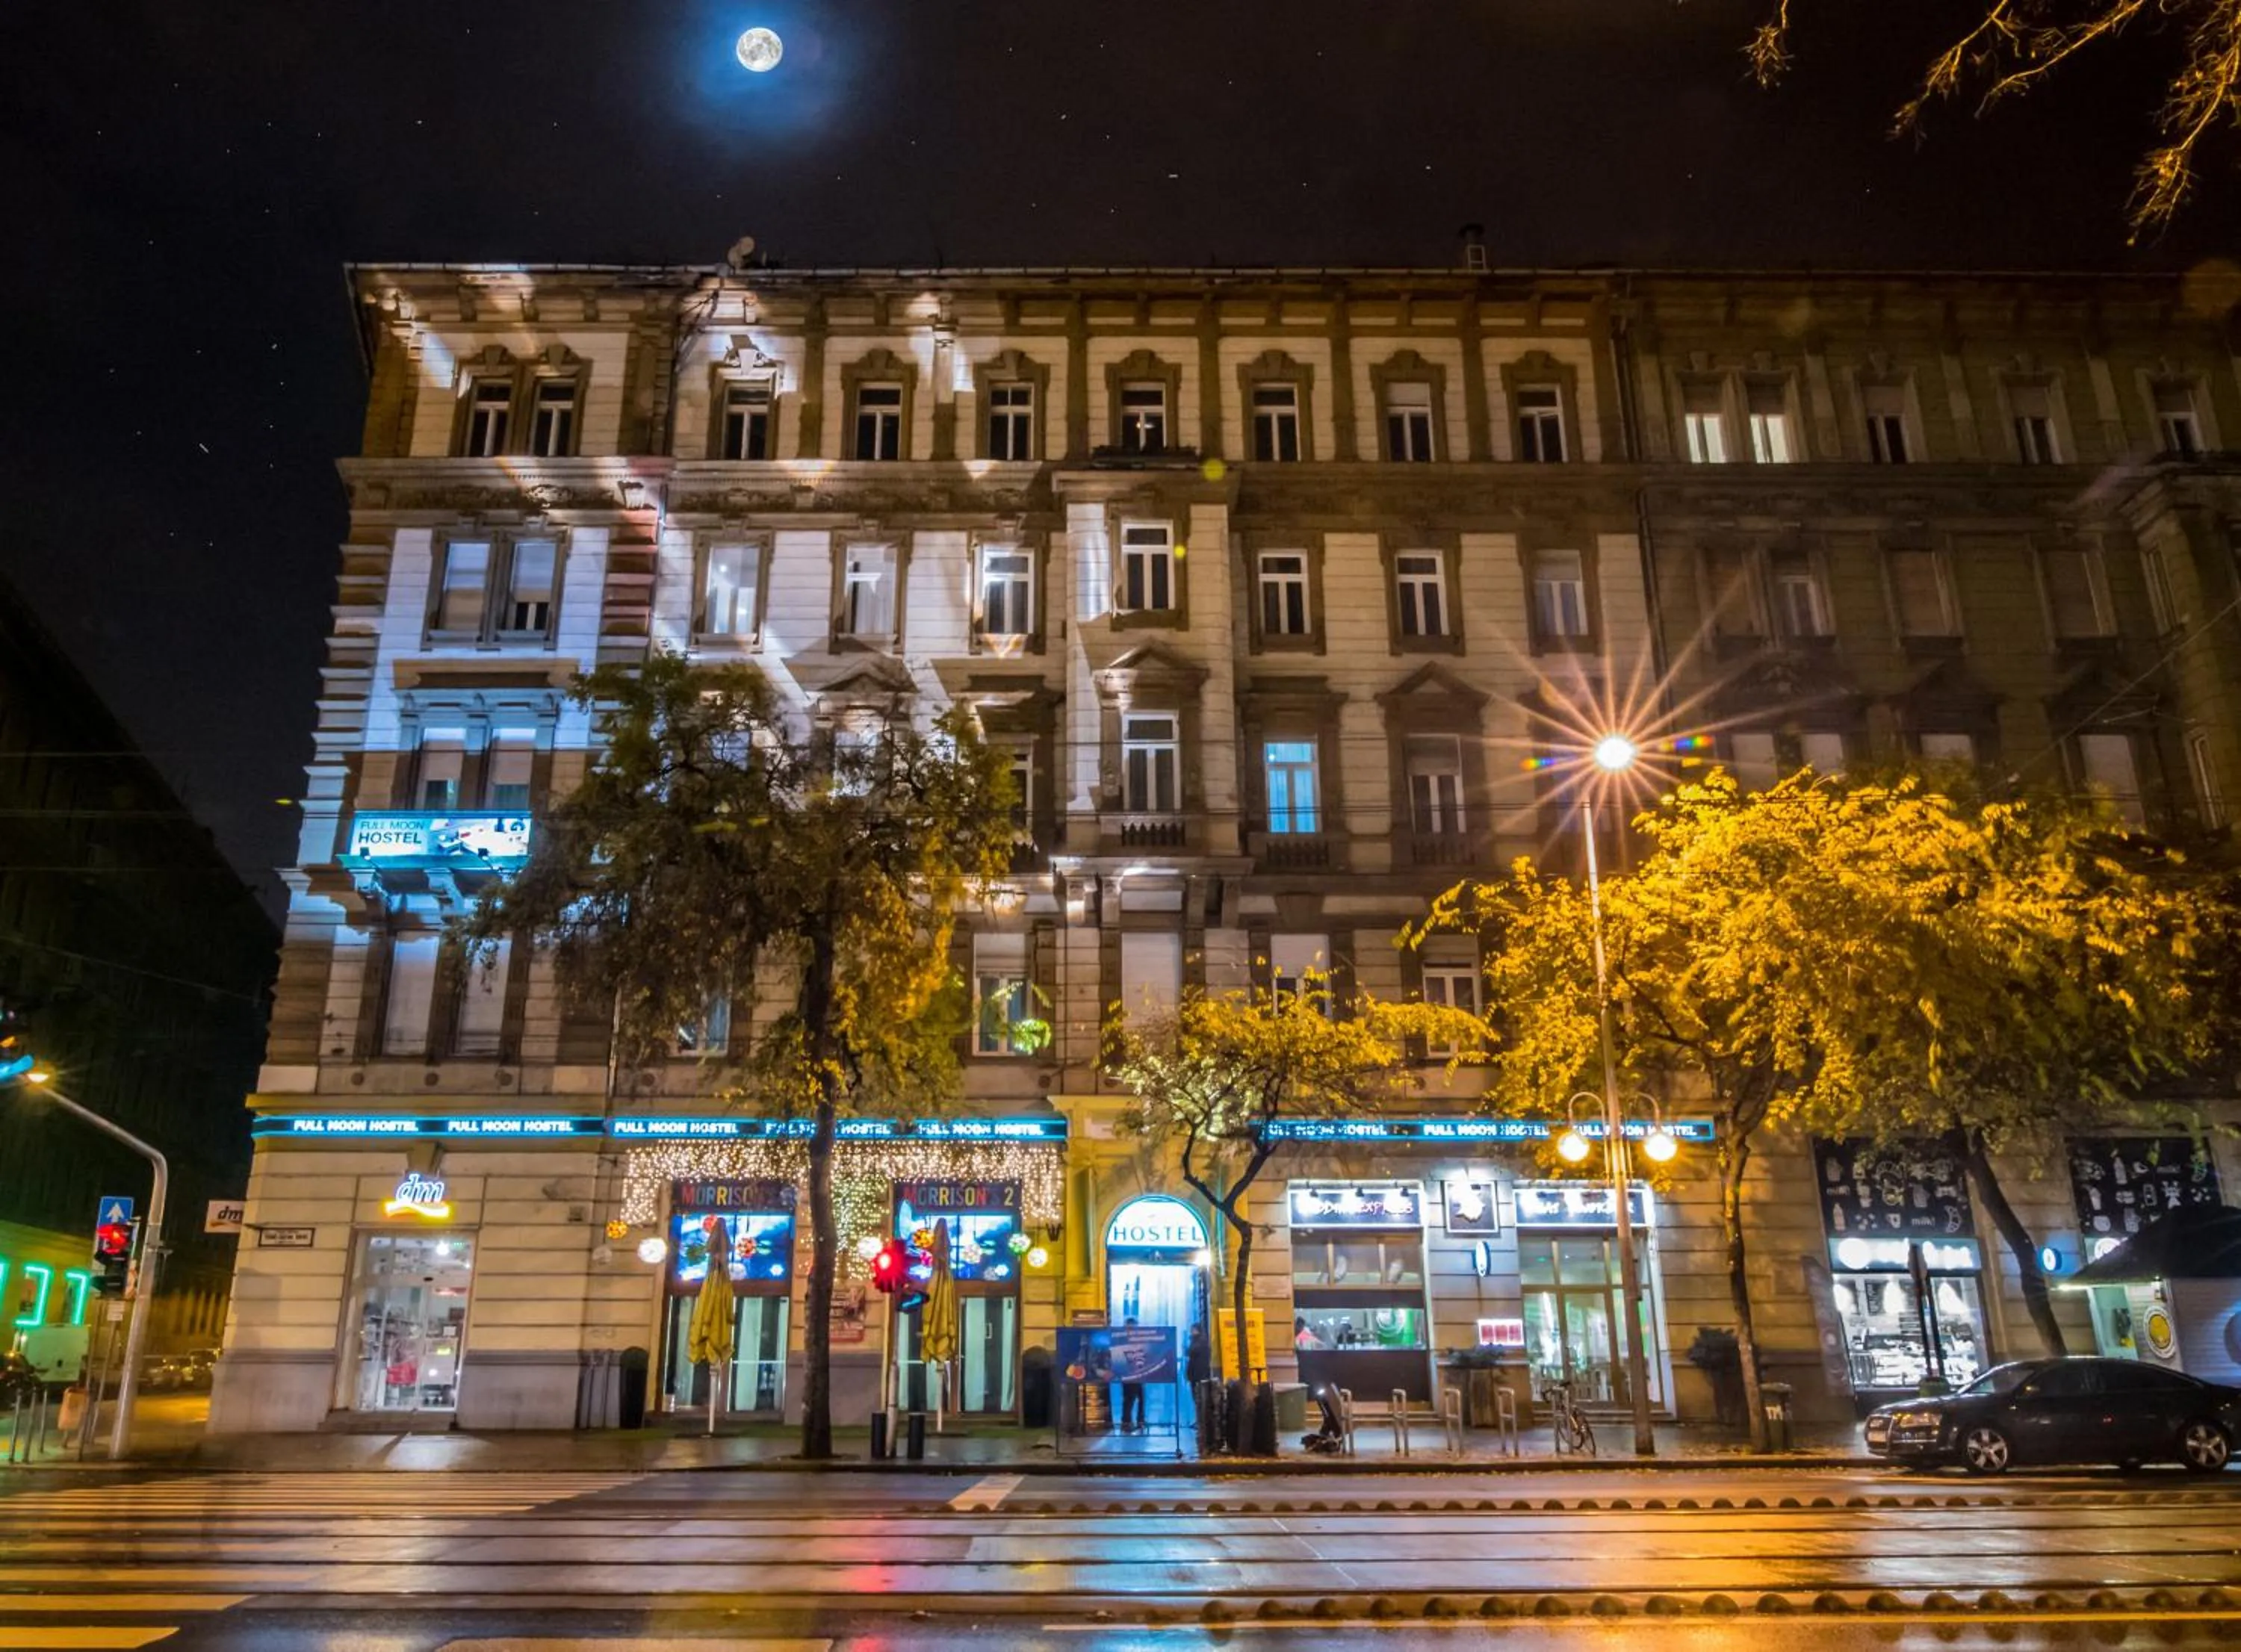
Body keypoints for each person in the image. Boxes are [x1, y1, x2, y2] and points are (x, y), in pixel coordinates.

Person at [1118, 1317, 1146, 1434]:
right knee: (1129, 1398)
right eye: (1134, 1326)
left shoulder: (1135, 1338)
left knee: (1140, 1398)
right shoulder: (1124, 1338)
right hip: (1129, 1373)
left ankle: (1138, 1421)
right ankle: (1126, 1423)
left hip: (1138, 1373)